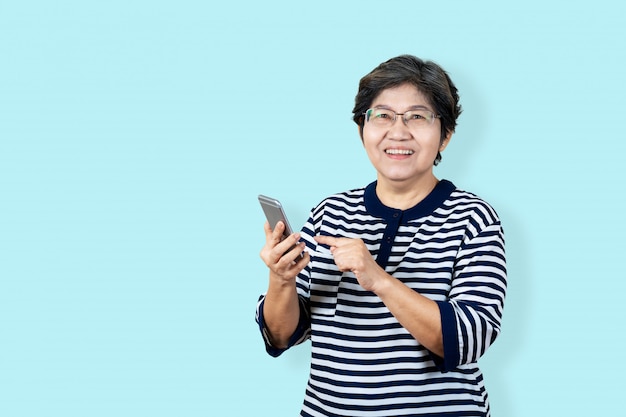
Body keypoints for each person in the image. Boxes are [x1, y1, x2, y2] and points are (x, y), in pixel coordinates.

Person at [256, 55, 507, 417]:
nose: (398, 131)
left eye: (418, 117)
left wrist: (378, 280)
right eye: (382, 116)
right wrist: (280, 280)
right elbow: (281, 336)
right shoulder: (329, 212)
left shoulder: (474, 218)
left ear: (445, 136)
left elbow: (468, 340)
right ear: (363, 130)